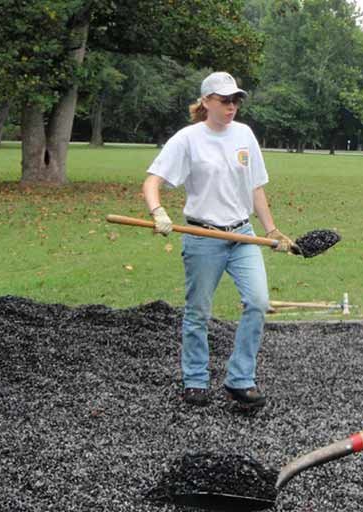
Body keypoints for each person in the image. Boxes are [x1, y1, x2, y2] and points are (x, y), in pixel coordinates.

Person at [142, 71, 297, 410]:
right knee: (198, 311)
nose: (232, 106)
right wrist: (158, 212)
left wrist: (271, 230)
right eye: (225, 100)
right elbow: (152, 181)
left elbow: (255, 187)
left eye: (236, 100)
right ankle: (195, 379)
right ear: (206, 101)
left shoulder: (244, 134)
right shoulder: (187, 139)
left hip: (242, 234)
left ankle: (240, 379)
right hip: (203, 236)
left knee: (257, 301)